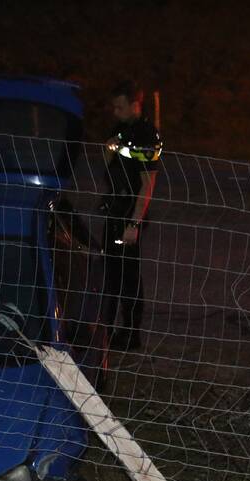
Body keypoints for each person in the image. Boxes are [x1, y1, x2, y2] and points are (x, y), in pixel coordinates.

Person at [99, 80, 162, 352]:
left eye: (120, 107)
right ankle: (107, 331)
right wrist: (108, 149)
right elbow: (108, 166)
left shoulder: (146, 133)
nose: (115, 112)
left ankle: (131, 334)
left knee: (128, 278)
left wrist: (134, 223)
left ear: (136, 105)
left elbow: (148, 184)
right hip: (113, 209)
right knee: (111, 275)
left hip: (128, 214)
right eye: (113, 107)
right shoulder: (120, 130)